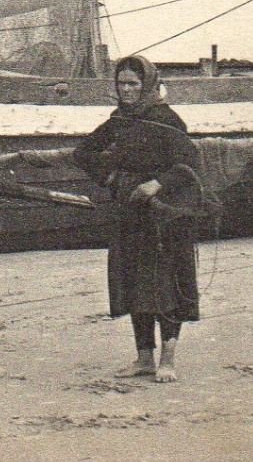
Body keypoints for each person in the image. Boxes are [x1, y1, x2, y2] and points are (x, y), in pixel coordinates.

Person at [69, 54, 205, 383]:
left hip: (164, 217)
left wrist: (157, 183)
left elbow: (189, 165)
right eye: (121, 84)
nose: (126, 90)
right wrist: (111, 178)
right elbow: (83, 152)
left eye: (133, 84)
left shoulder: (166, 119)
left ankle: (167, 360)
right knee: (134, 285)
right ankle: (144, 358)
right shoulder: (119, 120)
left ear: (147, 85)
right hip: (129, 214)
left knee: (165, 285)